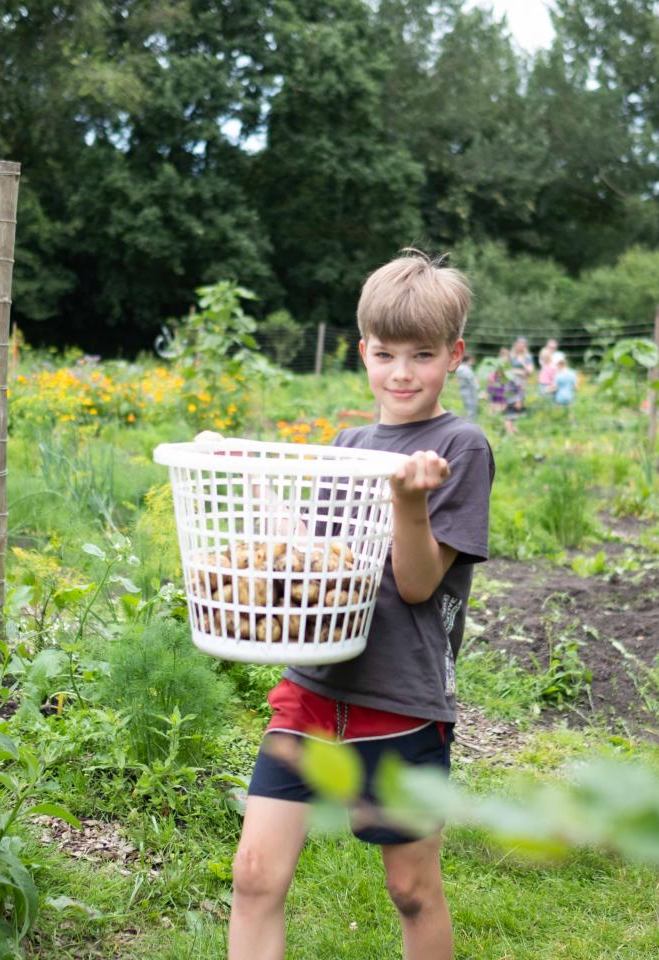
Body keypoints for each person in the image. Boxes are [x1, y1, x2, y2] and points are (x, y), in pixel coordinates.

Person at [229, 250, 495, 960]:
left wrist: (409, 501)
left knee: (411, 889)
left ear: (455, 355)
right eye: (385, 354)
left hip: (401, 700)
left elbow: (415, 584)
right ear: (362, 353)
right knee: (254, 875)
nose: (401, 372)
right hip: (314, 687)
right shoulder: (350, 443)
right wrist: (252, 479)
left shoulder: (460, 447)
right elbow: (320, 562)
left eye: (422, 354)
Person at [452, 353, 479, 421]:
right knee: (470, 411)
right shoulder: (466, 370)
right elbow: (472, 383)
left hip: (461, 391)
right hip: (469, 393)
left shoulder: (459, 368)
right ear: (469, 360)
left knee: (463, 410)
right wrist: (478, 388)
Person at [486, 348, 510, 417]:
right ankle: (493, 418)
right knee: (495, 405)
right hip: (496, 387)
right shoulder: (498, 366)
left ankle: (495, 418)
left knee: (502, 405)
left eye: (507, 358)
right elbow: (493, 377)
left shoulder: (507, 366)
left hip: (502, 387)